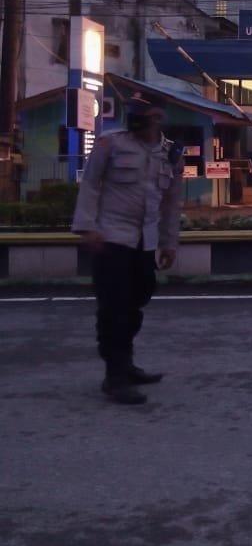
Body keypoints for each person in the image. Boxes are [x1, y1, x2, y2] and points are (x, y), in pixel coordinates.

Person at [71, 92, 184, 404]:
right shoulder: (110, 144)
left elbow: (172, 203)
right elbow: (91, 185)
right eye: (132, 110)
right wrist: (87, 227)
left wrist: (168, 243)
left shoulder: (171, 154)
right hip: (111, 238)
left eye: (142, 112)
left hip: (144, 242)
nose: (134, 116)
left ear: (158, 117)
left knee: (137, 301)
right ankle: (115, 375)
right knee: (114, 308)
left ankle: (126, 363)